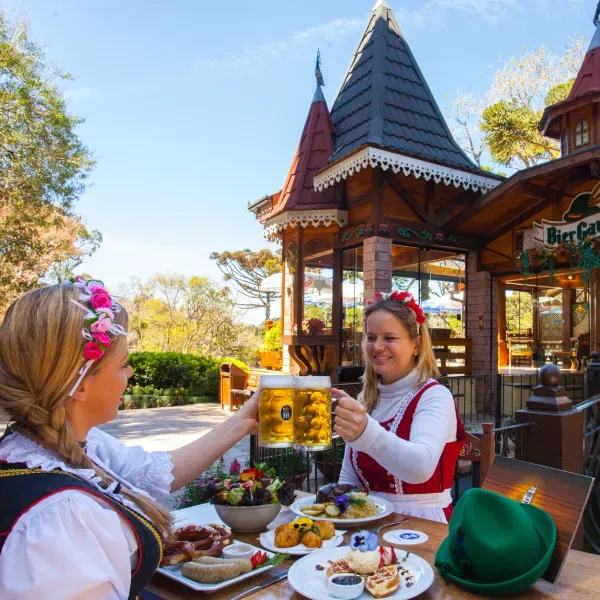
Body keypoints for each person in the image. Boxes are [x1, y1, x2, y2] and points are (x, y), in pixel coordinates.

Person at [0, 278, 258, 599]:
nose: (131, 373)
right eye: (123, 364)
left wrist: (243, 421)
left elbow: (148, 472)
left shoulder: (60, 444)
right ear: (79, 384)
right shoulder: (59, 518)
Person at [332, 290, 466, 523]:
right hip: (369, 520)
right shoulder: (367, 400)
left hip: (423, 524)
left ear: (416, 344)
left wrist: (366, 433)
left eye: (389, 338)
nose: (377, 347)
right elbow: (349, 476)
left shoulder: (435, 396)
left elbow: (420, 468)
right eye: (371, 337)